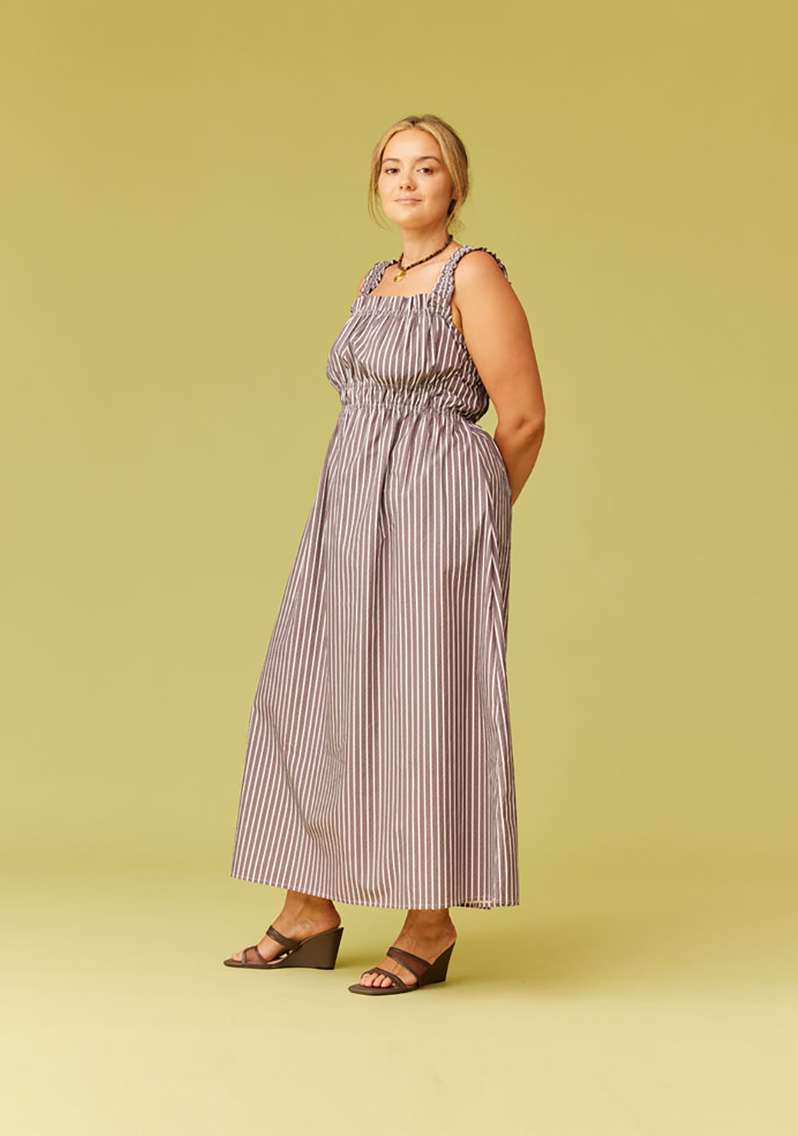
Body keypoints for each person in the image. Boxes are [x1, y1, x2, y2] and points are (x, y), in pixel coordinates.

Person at [224, 114, 546, 995]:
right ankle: (308, 908)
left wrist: (467, 520)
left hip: (434, 521)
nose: (407, 182)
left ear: (456, 185)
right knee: (307, 690)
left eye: (426, 167)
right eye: (392, 168)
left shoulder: (473, 274)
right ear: (377, 186)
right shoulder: (376, 281)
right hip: (348, 514)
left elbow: (522, 418)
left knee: (421, 706)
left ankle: (428, 925)